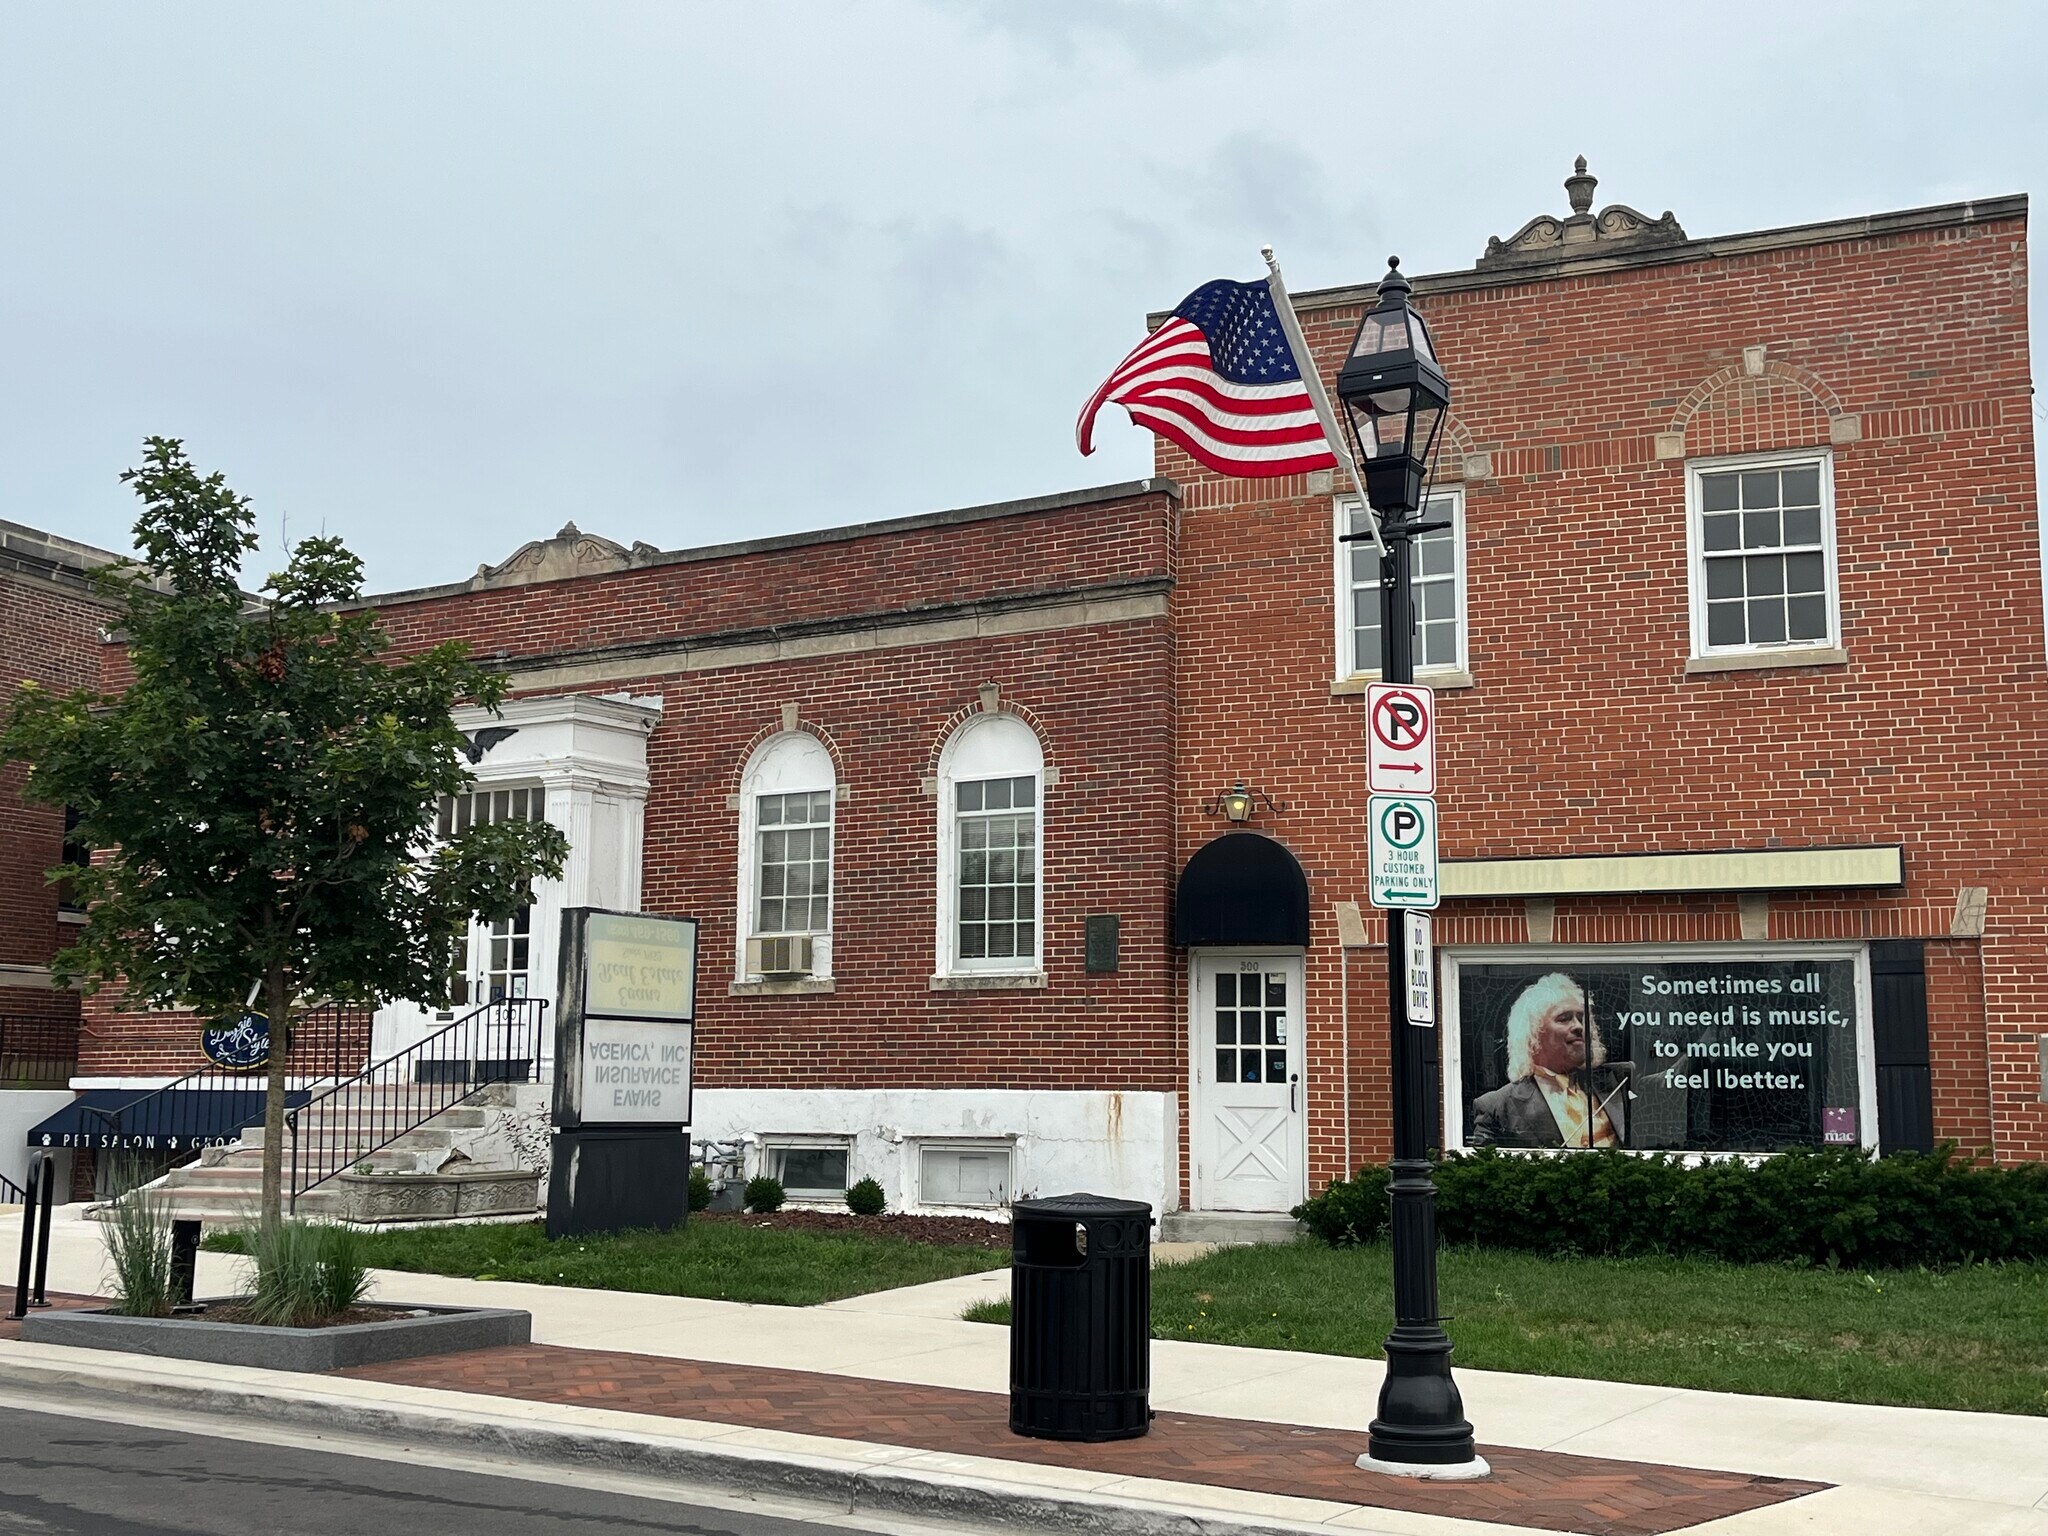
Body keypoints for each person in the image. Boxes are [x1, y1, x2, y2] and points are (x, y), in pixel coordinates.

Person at [1469, 973, 1630, 1148]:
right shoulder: (1496, 1107)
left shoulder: (1622, 1078)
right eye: (1564, 1018)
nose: (1579, 1026)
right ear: (1533, 1033)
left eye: (1581, 1018)